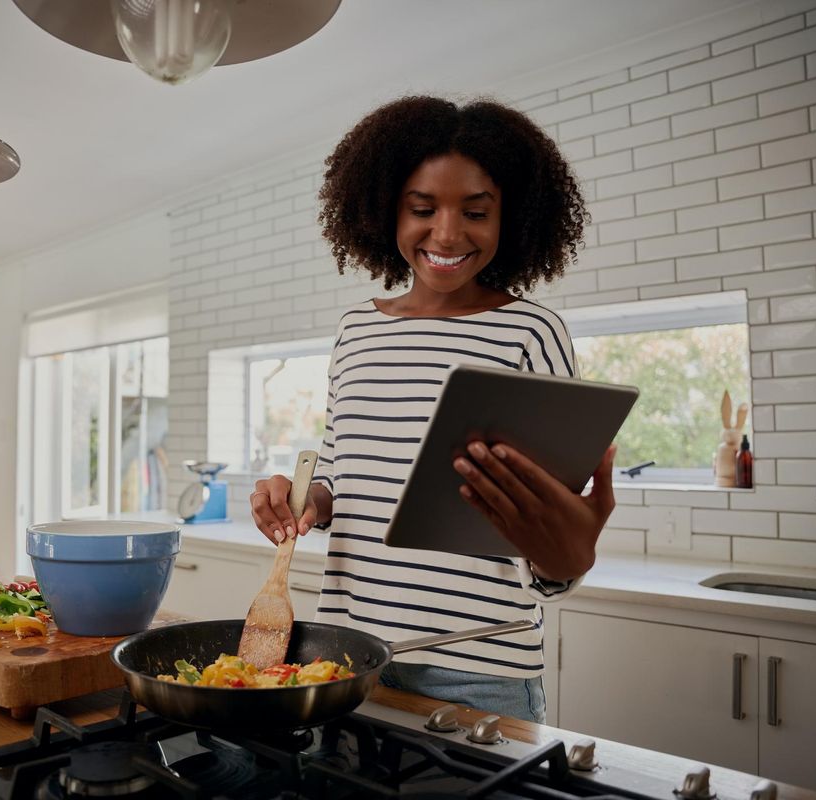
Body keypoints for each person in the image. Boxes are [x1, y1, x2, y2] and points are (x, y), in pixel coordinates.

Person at [248, 95, 617, 724]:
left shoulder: (531, 330)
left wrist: (571, 544)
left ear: (512, 217)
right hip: (347, 652)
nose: (447, 233)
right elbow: (341, 471)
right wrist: (309, 498)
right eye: (422, 209)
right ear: (385, 209)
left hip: (479, 665)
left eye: (476, 211)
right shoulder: (356, 330)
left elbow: (549, 514)